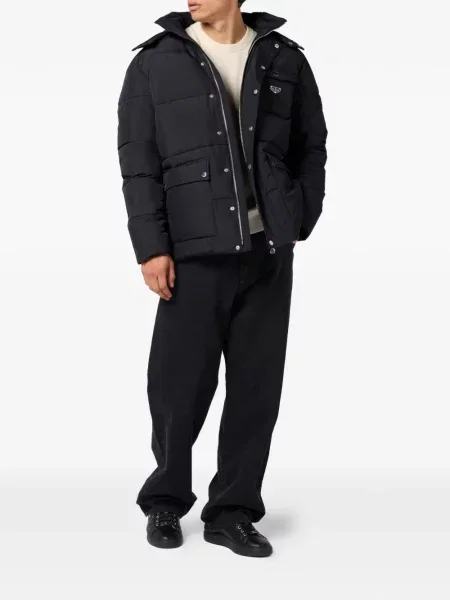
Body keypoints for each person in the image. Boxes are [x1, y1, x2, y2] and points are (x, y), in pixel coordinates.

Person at [117, 0, 327, 558]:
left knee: (257, 388)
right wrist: (152, 247)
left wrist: (298, 216)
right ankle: (165, 501)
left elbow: (311, 145)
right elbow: (138, 164)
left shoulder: (283, 58)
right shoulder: (155, 61)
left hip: (267, 250)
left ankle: (233, 512)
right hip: (193, 252)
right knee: (177, 385)